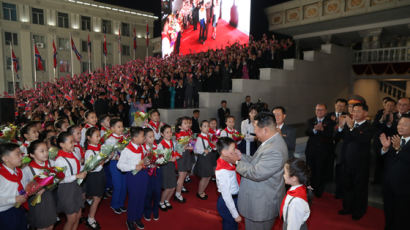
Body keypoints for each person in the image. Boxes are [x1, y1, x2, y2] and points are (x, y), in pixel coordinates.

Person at [225, 112, 288, 230]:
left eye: (255, 128)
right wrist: (241, 156)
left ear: (265, 130)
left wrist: (236, 163)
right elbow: (257, 161)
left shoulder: (275, 149)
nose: (254, 132)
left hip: (262, 204)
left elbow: (256, 172)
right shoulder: (271, 141)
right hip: (260, 199)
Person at [337, 103, 373, 220]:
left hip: (361, 165)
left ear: (365, 113)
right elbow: (338, 138)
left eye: (358, 111)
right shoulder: (349, 125)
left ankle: (359, 211)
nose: (355, 114)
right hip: (347, 162)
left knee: (360, 188)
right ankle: (347, 207)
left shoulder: (368, 127)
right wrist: (341, 127)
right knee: (347, 186)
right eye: (354, 111)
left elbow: (361, 139)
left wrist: (352, 127)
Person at [379, 114, 410, 230]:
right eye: (400, 124)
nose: (400, 126)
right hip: (389, 185)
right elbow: (383, 162)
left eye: (405, 125)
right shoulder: (394, 138)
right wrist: (385, 149)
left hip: (405, 188)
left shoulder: (398, 144)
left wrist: (399, 150)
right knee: (389, 212)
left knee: (402, 216)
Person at [55, 132, 88, 230]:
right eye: (71, 142)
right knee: (71, 218)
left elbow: (76, 168)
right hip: (66, 189)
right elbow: (60, 179)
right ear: (62, 145)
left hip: (76, 186)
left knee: (78, 215)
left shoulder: (72, 154)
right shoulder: (59, 160)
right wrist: (76, 176)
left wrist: (87, 166)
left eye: (73, 141)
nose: (74, 144)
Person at [117, 127, 148, 230]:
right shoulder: (127, 150)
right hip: (133, 176)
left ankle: (137, 217)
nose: (144, 137)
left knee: (142, 197)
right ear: (134, 138)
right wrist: (133, 167)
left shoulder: (142, 147)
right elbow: (120, 165)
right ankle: (130, 219)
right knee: (134, 198)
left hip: (143, 175)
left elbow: (143, 159)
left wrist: (148, 160)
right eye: (142, 136)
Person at [23, 140, 57, 230]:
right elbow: (24, 190)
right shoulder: (27, 170)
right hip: (37, 201)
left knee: (51, 224)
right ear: (32, 155)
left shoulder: (51, 164)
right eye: (42, 151)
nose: (45, 153)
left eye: (46, 150)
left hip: (50, 197)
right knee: (42, 226)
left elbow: (57, 178)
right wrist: (34, 191)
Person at [304, 104, 334, 197]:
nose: (319, 112)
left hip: (323, 152)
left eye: (321, 110)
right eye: (317, 110)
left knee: (320, 171)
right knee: (310, 171)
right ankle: (310, 189)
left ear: (325, 111)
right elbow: (307, 132)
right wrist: (314, 130)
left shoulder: (330, 122)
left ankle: (319, 191)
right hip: (311, 151)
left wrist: (322, 130)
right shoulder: (311, 120)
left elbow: (331, 135)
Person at [84, 127, 111, 229]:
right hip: (94, 177)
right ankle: (90, 219)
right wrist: (102, 162)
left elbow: (101, 163)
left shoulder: (98, 148)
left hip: (100, 175)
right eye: (96, 136)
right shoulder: (89, 152)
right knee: (97, 198)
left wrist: (109, 156)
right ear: (89, 138)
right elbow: (91, 168)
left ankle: (89, 215)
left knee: (97, 197)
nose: (99, 138)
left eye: (99, 136)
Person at [0, 143, 28, 230]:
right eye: (17, 154)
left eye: (21, 154)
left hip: (19, 208)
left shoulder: (18, 171)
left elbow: (23, 187)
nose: (21, 157)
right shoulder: (1, 176)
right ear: (5, 158)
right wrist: (14, 199)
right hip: (5, 213)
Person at [215, 137, 242, 230]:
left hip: (234, 198)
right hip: (227, 202)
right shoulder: (222, 171)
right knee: (230, 225)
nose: (235, 151)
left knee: (234, 225)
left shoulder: (228, 162)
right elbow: (226, 195)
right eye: (233, 149)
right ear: (224, 152)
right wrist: (235, 215)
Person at [280, 158, 311, 230]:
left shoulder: (296, 202)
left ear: (294, 178)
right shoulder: (296, 190)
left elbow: (293, 227)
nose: (283, 175)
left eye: (285, 173)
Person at [105, 118, 127, 215]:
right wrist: (114, 156)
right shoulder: (110, 140)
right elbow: (108, 154)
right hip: (114, 164)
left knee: (124, 185)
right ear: (112, 128)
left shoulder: (124, 138)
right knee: (118, 185)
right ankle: (114, 204)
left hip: (124, 163)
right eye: (118, 127)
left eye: (122, 126)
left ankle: (121, 203)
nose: (121, 128)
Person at [372, 98, 396, 184]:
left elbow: (395, 131)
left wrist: (390, 124)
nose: (389, 107)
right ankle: (376, 180)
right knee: (378, 161)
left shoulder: (396, 115)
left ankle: (386, 180)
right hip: (379, 141)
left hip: (391, 141)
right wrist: (382, 119)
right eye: (388, 105)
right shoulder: (380, 113)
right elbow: (374, 127)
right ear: (384, 105)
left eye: (392, 105)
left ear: (394, 107)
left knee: (388, 162)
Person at [194, 120, 216, 200]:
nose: (207, 128)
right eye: (205, 126)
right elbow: (195, 150)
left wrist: (213, 145)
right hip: (203, 159)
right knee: (204, 177)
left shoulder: (208, 136)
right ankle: (199, 192)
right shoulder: (200, 138)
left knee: (209, 176)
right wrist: (203, 151)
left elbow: (209, 147)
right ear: (200, 128)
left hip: (208, 158)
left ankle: (202, 190)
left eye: (208, 126)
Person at [174, 117, 195, 202]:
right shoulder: (180, 134)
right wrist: (188, 146)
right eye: (185, 123)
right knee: (182, 176)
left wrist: (191, 145)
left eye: (188, 123)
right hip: (181, 156)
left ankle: (180, 187)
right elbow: (179, 148)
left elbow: (190, 143)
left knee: (184, 173)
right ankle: (177, 194)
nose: (188, 124)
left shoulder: (187, 132)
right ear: (180, 126)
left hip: (186, 155)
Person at [158, 125, 178, 211]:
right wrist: (169, 159)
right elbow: (158, 159)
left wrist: (177, 154)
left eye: (170, 132)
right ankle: (161, 202)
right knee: (167, 187)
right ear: (162, 134)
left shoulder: (173, 142)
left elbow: (176, 152)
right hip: (165, 167)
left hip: (172, 166)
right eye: (167, 132)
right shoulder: (160, 145)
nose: (169, 134)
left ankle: (167, 200)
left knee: (173, 186)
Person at [143, 128, 161, 221]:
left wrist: (160, 159)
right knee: (148, 193)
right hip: (147, 173)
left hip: (156, 171)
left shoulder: (156, 146)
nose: (153, 138)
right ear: (144, 138)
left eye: (153, 136)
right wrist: (147, 161)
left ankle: (155, 209)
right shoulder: (142, 148)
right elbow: (142, 162)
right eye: (150, 137)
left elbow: (161, 158)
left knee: (157, 192)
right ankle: (147, 210)